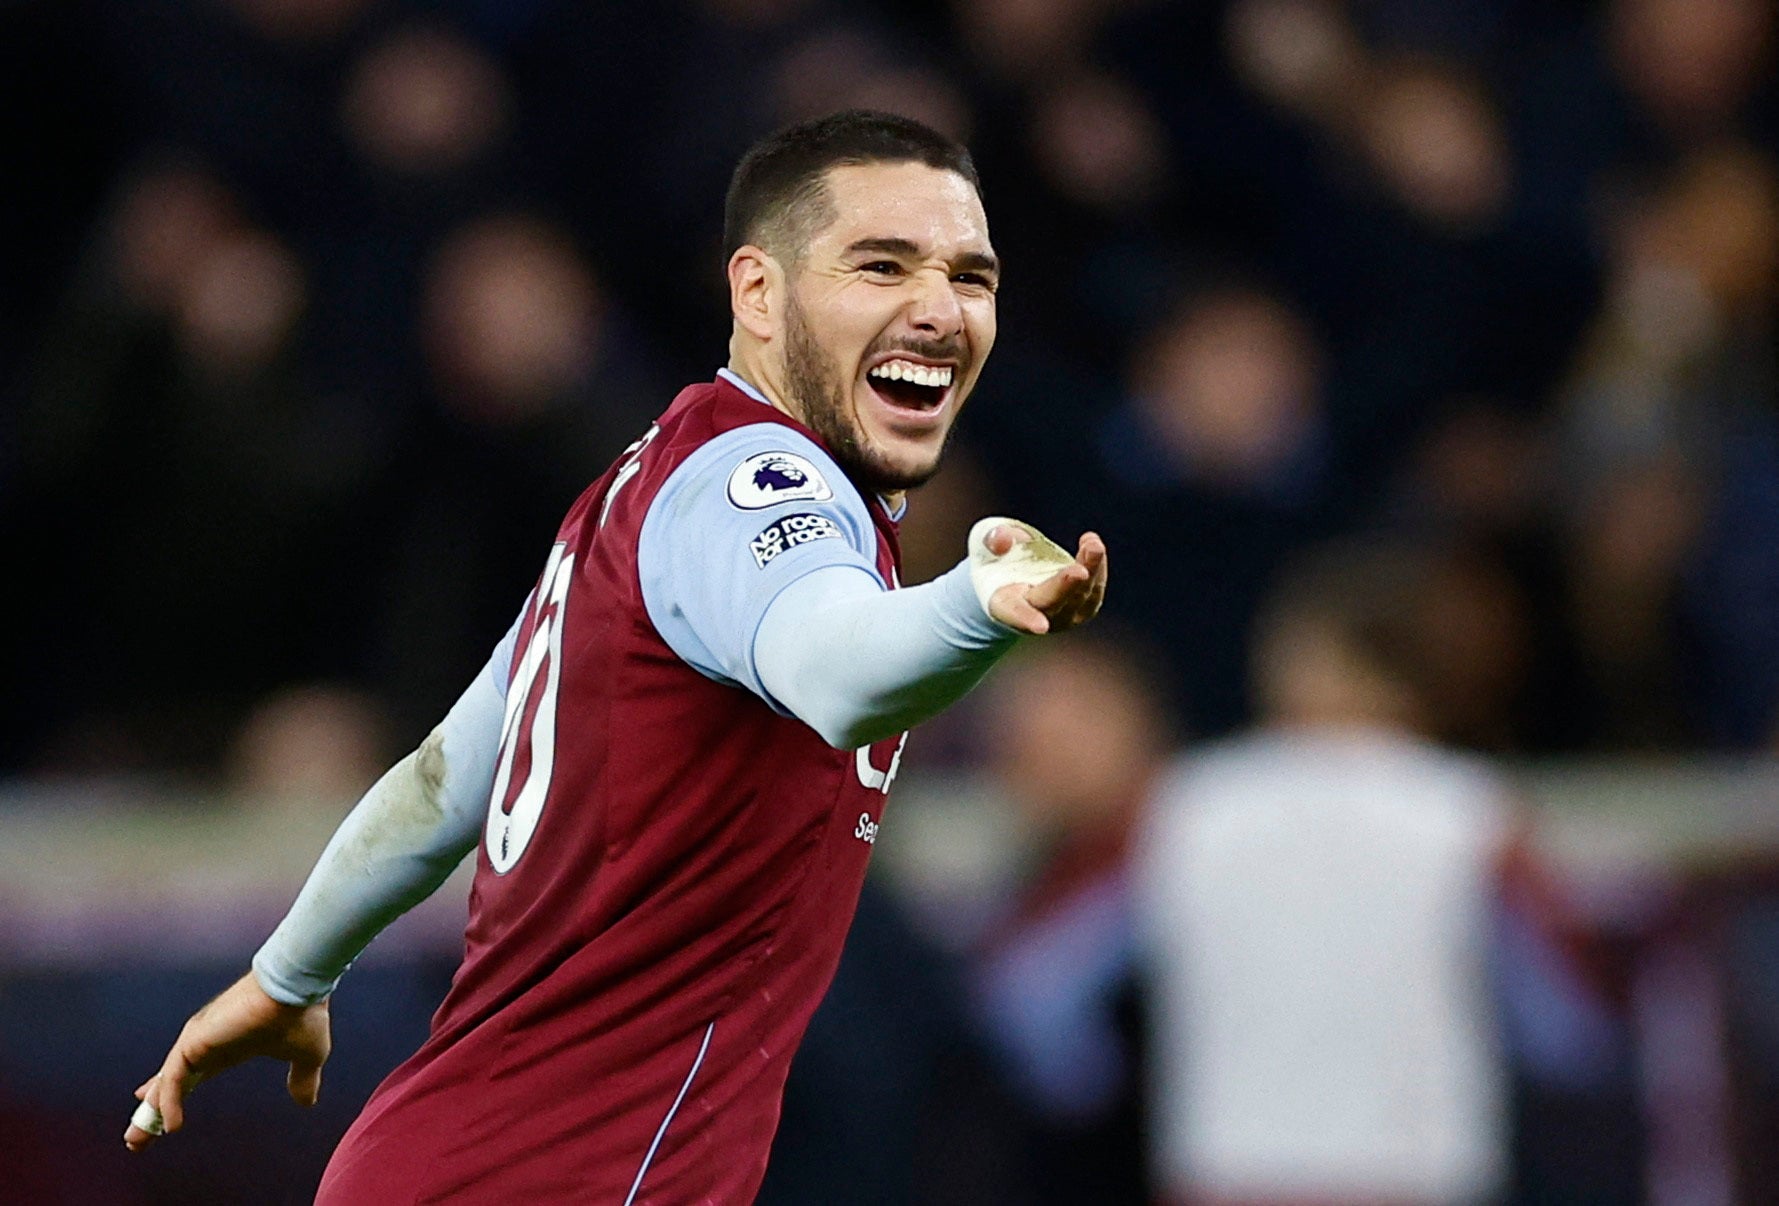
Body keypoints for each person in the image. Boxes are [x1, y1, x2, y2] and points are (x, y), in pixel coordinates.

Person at [123, 110, 1109, 1203]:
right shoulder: (757, 489)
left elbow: (444, 777)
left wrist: (288, 973)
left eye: (971, 277)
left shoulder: (642, 489)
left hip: (443, 1162)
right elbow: (838, 673)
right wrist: (976, 601)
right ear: (759, 295)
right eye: (881, 265)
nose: (938, 309)